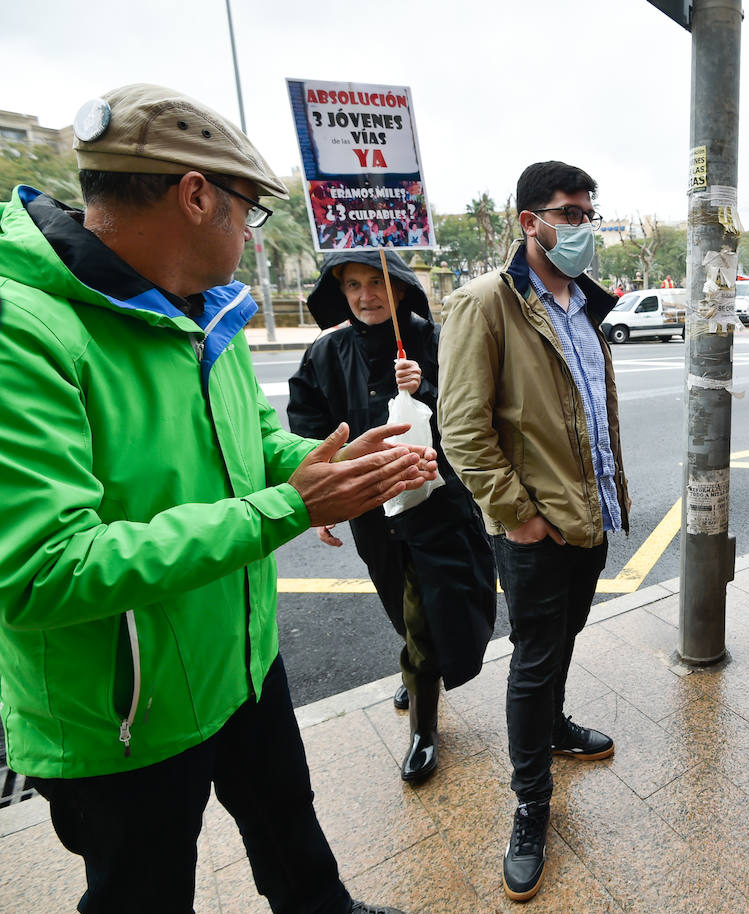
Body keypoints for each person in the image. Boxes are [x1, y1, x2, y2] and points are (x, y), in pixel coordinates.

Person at [0, 84, 419, 914]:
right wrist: (288, 509)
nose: (247, 232)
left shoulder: (205, 310)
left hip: (243, 658)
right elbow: (41, 571)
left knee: (293, 840)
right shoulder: (27, 330)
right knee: (143, 893)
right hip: (127, 714)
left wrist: (338, 464)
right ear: (197, 195)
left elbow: (251, 445)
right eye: (247, 211)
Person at [437, 161, 626, 902]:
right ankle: (529, 805)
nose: (583, 226)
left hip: (590, 517)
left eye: (589, 213)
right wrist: (518, 517)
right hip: (535, 530)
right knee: (536, 657)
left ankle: (552, 729)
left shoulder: (581, 303)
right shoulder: (487, 303)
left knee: (563, 641)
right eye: (568, 214)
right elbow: (462, 429)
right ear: (530, 222)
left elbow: (589, 412)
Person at [288, 250, 497, 785]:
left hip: (438, 503)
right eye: (353, 285)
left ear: (400, 287)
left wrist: (425, 385)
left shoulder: (435, 341)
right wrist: (322, 495)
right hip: (370, 508)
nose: (365, 296)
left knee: (432, 607)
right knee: (396, 598)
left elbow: (476, 409)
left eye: (376, 282)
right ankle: (417, 663)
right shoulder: (328, 353)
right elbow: (309, 427)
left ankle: (424, 724)